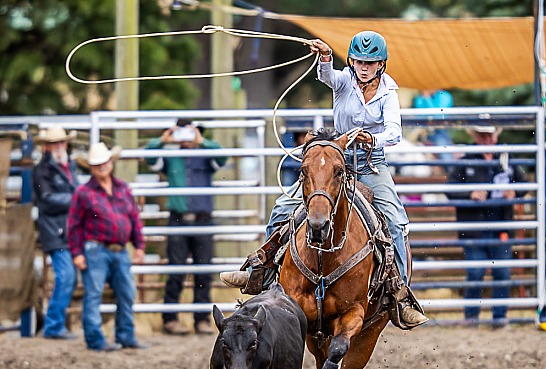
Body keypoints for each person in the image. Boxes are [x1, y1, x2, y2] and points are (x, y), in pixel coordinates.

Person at [221, 31, 427, 328]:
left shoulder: (388, 93)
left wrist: (372, 137)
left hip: (370, 165)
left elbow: (394, 131)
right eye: (358, 61)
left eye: (370, 62)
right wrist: (326, 57)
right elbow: (327, 76)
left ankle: (400, 295)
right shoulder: (343, 80)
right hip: (334, 163)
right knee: (282, 207)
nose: (364, 67)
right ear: (352, 62)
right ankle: (261, 271)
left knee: (395, 220)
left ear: (381, 64)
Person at [145, 119, 227, 336]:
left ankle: (201, 319)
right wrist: (162, 140)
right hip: (178, 219)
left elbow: (222, 156)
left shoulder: (207, 155)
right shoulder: (170, 157)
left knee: (203, 271)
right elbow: (149, 157)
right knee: (176, 269)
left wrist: (203, 142)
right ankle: (170, 319)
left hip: (202, 218)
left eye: (192, 134)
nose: (188, 139)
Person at [67, 142, 148, 351]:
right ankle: (95, 340)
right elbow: (74, 225)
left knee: (127, 293)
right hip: (95, 249)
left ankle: (125, 335)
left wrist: (139, 246)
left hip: (119, 250)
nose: (101, 166)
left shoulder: (122, 188)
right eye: (97, 164)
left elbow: (134, 219)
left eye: (104, 162)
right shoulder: (83, 192)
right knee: (93, 294)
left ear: (111, 162)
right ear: (91, 168)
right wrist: (77, 253)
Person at [448, 126, 525, 326]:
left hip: (501, 226)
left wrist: (514, 192)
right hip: (474, 227)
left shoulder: (507, 160)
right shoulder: (465, 161)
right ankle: (471, 317)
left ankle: (499, 317)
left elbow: (524, 184)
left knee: (502, 273)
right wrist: (469, 193)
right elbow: (450, 189)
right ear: (475, 136)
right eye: (482, 135)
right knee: (475, 272)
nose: (487, 139)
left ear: (496, 134)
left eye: (489, 134)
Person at [33, 125, 79, 340]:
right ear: (46, 147)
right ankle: (53, 325)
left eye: (61, 142)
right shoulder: (42, 170)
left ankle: (54, 324)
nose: (59, 147)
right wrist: (78, 200)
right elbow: (46, 201)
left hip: (66, 230)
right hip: (56, 231)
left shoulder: (68, 167)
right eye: (54, 144)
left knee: (68, 277)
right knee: (66, 276)